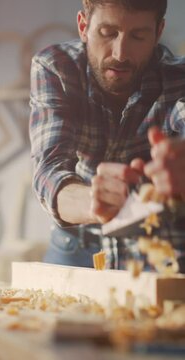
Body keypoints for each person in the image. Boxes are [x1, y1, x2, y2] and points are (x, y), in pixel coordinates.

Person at [29, 0, 185, 271]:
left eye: (138, 36)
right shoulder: (55, 68)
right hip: (77, 244)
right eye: (108, 33)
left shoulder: (179, 78)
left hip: (160, 247)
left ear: (158, 32)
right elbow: (49, 170)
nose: (121, 53)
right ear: (84, 26)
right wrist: (93, 202)